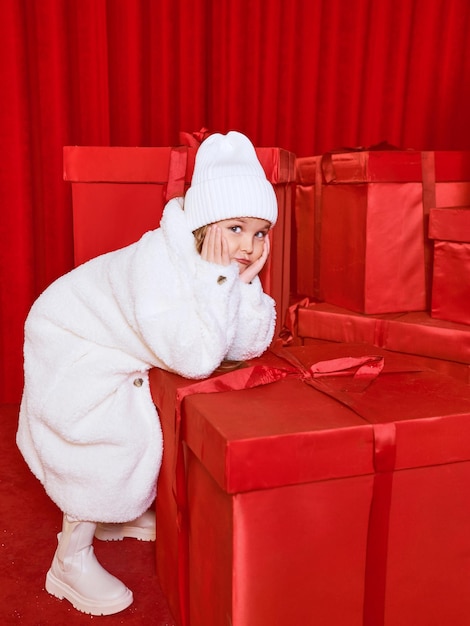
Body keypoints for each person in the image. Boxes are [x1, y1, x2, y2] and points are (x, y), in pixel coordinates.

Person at [16, 131, 278, 616]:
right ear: (206, 222)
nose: (249, 246)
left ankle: (118, 513)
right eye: (237, 228)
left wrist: (241, 285)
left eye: (260, 232)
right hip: (69, 336)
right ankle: (68, 559)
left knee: (144, 415)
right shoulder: (160, 260)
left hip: (108, 337)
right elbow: (197, 359)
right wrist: (226, 280)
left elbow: (245, 344)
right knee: (107, 435)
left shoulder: (216, 264)